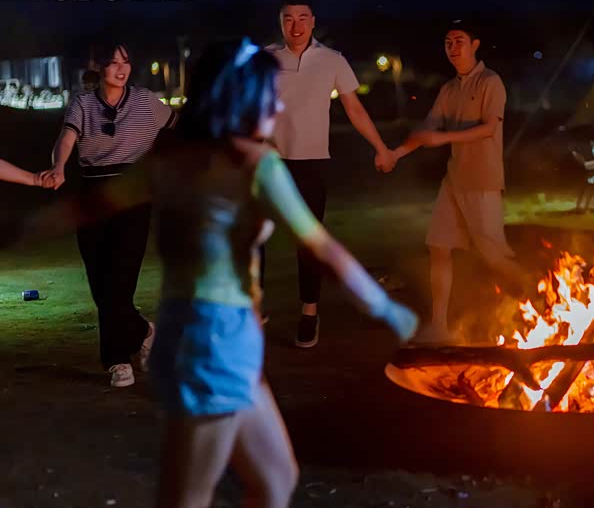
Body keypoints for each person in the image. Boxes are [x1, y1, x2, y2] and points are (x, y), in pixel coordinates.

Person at [19, 39, 417, 508]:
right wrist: (386, 308)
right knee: (190, 496)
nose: (278, 106)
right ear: (240, 98)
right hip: (215, 346)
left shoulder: (170, 160)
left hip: (207, 341)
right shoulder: (254, 163)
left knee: (275, 479)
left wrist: (20, 228)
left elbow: (83, 209)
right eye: (270, 94)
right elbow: (321, 247)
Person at [262, 0, 397, 348]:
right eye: (288, 18)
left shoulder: (332, 60)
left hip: (311, 161)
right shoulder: (265, 59)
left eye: (302, 18)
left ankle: (309, 312)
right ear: (280, 22)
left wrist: (381, 147)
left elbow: (354, 109)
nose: (296, 26)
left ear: (313, 22)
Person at [42, 40, 178, 387]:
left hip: (133, 198)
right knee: (101, 286)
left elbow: (180, 126)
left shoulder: (146, 101)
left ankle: (117, 361)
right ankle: (145, 333)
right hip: (92, 198)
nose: (121, 68)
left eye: (126, 62)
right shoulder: (83, 103)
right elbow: (66, 138)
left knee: (119, 283)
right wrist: (59, 167)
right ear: (98, 66)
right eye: (113, 62)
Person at [389, 19, 529, 344]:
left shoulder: (490, 82)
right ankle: (440, 324)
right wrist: (396, 153)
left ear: (474, 44)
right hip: (454, 180)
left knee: (494, 255)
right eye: (448, 42)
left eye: (459, 41)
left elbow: (489, 128)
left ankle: (540, 290)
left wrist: (443, 138)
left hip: (483, 180)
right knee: (438, 247)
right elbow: (428, 129)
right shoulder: (449, 89)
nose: (453, 48)